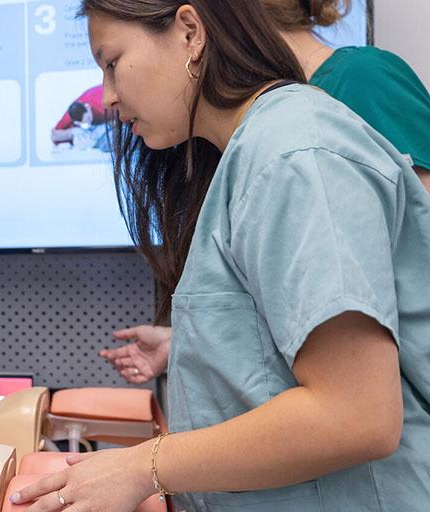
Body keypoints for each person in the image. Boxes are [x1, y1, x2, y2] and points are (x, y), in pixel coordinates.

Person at [11, 1, 430, 510]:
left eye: (112, 62)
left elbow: (356, 413)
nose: (108, 98)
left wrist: (143, 467)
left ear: (189, 32)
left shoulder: (294, 154)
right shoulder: (249, 157)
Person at [102, 0, 430, 385]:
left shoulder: (330, 107)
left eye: (111, 64)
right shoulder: (245, 133)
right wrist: (193, 344)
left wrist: (152, 451)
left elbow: (405, 275)